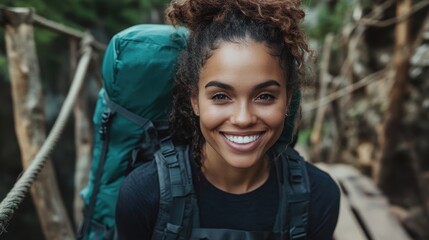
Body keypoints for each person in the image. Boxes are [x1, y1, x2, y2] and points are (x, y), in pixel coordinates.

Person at [115, 0, 340, 239]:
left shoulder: (317, 197)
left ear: (287, 100)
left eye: (265, 96)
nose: (243, 118)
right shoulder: (145, 196)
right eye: (221, 96)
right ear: (195, 101)